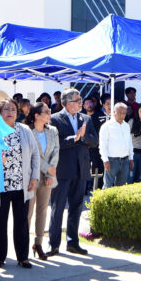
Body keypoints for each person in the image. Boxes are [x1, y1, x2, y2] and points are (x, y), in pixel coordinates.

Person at [48, 88, 97, 255]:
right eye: (78, 100)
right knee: (58, 208)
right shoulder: (55, 119)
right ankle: (53, 244)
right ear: (68, 103)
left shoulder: (86, 118)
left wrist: (83, 137)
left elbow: (94, 141)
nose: (81, 102)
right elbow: (54, 143)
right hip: (62, 170)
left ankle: (72, 242)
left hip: (81, 169)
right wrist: (74, 138)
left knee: (76, 207)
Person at [0, 99, 39, 269]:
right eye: (6, 109)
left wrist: (34, 177)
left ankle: (23, 257)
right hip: (0, 186)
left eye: (13, 109)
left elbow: (35, 154)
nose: (10, 112)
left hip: (22, 185)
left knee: (21, 222)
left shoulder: (24, 130)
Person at [26, 103, 58, 260]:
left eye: (49, 111)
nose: (49, 114)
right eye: (46, 112)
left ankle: (38, 243)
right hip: (31, 174)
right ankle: (23, 243)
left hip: (48, 176)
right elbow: (33, 155)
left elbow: (56, 151)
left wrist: (51, 172)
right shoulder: (28, 131)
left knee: (43, 210)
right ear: (37, 115)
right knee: (28, 211)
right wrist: (48, 168)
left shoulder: (53, 131)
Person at [98, 102, 134, 188]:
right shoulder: (106, 126)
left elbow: (129, 143)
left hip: (125, 160)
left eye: (124, 113)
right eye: (119, 113)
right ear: (114, 112)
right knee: (107, 186)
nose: (122, 115)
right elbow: (102, 145)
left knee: (121, 187)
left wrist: (131, 158)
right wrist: (105, 160)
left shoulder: (126, 126)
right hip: (111, 160)